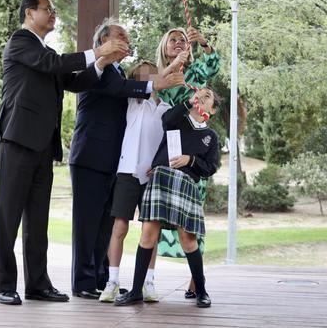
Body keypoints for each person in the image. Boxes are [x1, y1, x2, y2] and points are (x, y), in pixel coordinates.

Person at [0, 0, 128, 306]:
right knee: (8, 217)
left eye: (53, 8)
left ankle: (37, 284)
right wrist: (98, 50)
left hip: (42, 146)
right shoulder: (20, 42)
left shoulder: (46, 53)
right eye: (46, 9)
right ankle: (5, 285)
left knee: (37, 221)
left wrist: (102, 61)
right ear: (29, 13)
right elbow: (53, 63)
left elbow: (76, 82)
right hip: (15, 140)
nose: (52, 13)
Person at [68, 19, 183, 300]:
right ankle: (83, 282)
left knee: (105, 224)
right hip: (90, 157)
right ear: (103, 41)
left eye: (127, 37)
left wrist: (171, 68)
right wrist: (160, 80)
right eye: (120, 35)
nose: (126, 40)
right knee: (87, 222)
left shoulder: (119, 73)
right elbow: (125, 87)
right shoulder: (99, 69)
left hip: (114, 163)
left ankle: (101, 277)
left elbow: (138, 87)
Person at [114, 88, 220, 308]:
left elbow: (211, 167)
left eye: (208, 95)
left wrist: (190, 160)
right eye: (201, 93)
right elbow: (165, 119)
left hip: (185, 186)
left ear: (213, 109)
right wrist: (188, 102)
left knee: (187, 240)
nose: (202, 95)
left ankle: (201, 291)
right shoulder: (178, 119)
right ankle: (135, 291)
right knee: (147, 236)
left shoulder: (211, 137)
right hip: (161, 180)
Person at [98, 60, 174, 302]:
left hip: (154, 178)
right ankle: (112, 281)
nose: (148, 79)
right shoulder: (133, 103)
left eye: (152, 74)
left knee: (151, 232)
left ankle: (148, 282)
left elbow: (169, 146)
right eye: (141, 77)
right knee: (119, 228)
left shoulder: (167, 109)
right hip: (127, 172)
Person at [155, 26, 221, 298]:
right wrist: (174, 66)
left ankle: (197, 282)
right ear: (164, 46)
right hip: (167, 150)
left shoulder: (194, 74)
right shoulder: (159, 74)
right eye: (173, 40)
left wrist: (203, 43)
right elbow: (158, 93)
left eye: (183, 40)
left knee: (193, 221)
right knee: (155, 220)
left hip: (194, 154)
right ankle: (147, 282)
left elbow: (213, 67)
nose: (178, 43)